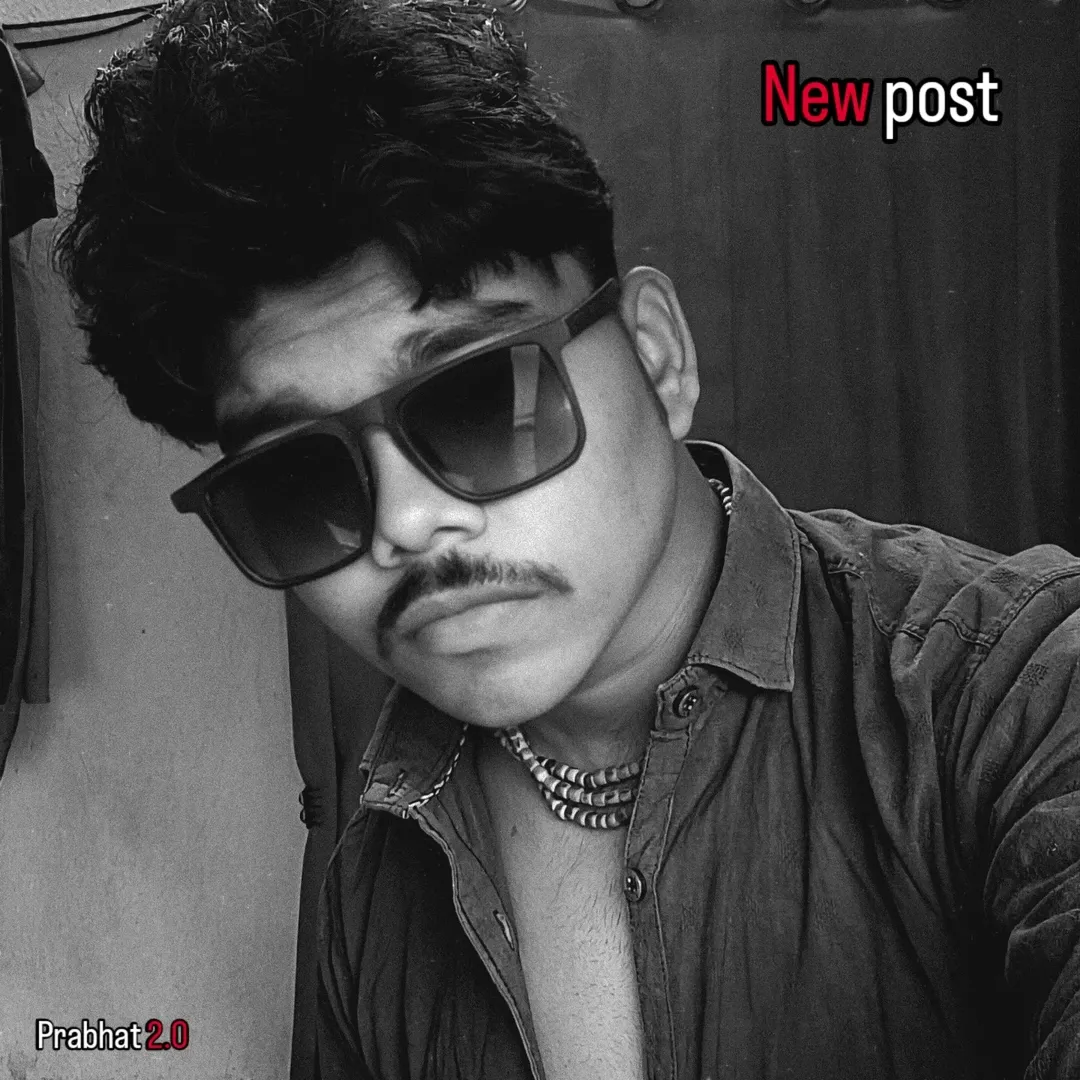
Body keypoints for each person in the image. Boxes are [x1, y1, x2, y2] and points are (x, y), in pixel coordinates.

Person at [56, 1, 1080, 1078]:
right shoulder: (378, 885)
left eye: (478, 398)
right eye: (298, 480)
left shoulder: (1013, 691)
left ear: (655, 355)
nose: (405, 523)